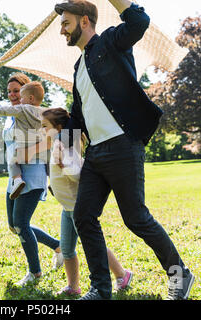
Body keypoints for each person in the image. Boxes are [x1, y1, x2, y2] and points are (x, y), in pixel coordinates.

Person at [53, 0, 195, 300]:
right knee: (84, 216)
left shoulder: (111, 42)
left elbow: (138, 23)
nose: (61, 28)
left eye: (66, 22)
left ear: (84, 22)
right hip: (96, 154)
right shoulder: (78, 67)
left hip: (123, 145)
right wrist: (61, 149)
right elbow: (78, 117)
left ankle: (180, 275)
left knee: (136, 218)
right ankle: (100, 288)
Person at [0, 62, 63, 286]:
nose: (12, 95)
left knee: (21, 224)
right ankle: (58, 246)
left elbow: (51, 140)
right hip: (14, 177)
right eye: (9, 92)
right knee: (14, 225)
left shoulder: (37, 115)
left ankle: (35, 273)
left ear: (27, 92)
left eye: (16, 91)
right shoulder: (12, 114)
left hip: (33, 174)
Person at [42, 108, 133, 297]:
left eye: (45, 127)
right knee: (66, 249)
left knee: (93, 244)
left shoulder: (64, 145)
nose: (42, 131)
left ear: (58, 127)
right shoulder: (58, 144)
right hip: (67, 208)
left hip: (77, 207)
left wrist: (64, 167)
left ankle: (122, 275)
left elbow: (79, 175)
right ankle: (73, 286)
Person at [0, 81, 48, 200]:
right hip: (36, 143)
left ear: (30, 98)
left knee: (12, 161)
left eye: (19, 94)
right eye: (9, 91)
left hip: (23, 147)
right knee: (49, 157)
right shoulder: (44, 112)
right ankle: (51, 178)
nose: (16, 97)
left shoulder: (21, 109)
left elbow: (3, 111)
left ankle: (17, 180)